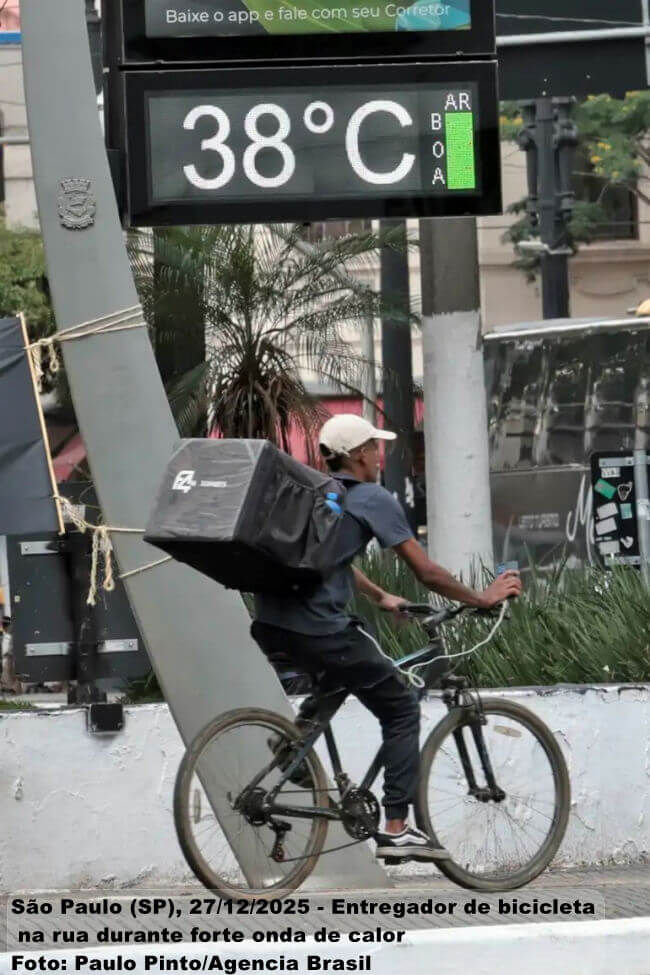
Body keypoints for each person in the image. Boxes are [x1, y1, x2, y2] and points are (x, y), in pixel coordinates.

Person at [251, 414, 522, 863]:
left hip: (273, 625)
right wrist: (480, 598)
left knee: (341, 674)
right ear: (358, 455)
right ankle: (397, 828)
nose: (380, 455)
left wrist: (379, 596)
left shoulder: (319, 496)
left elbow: (328, 560)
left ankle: (291, 748)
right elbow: (427, 571)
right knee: (399, 706)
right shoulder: (370, 498)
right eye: (374, 448)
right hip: (320, 629)